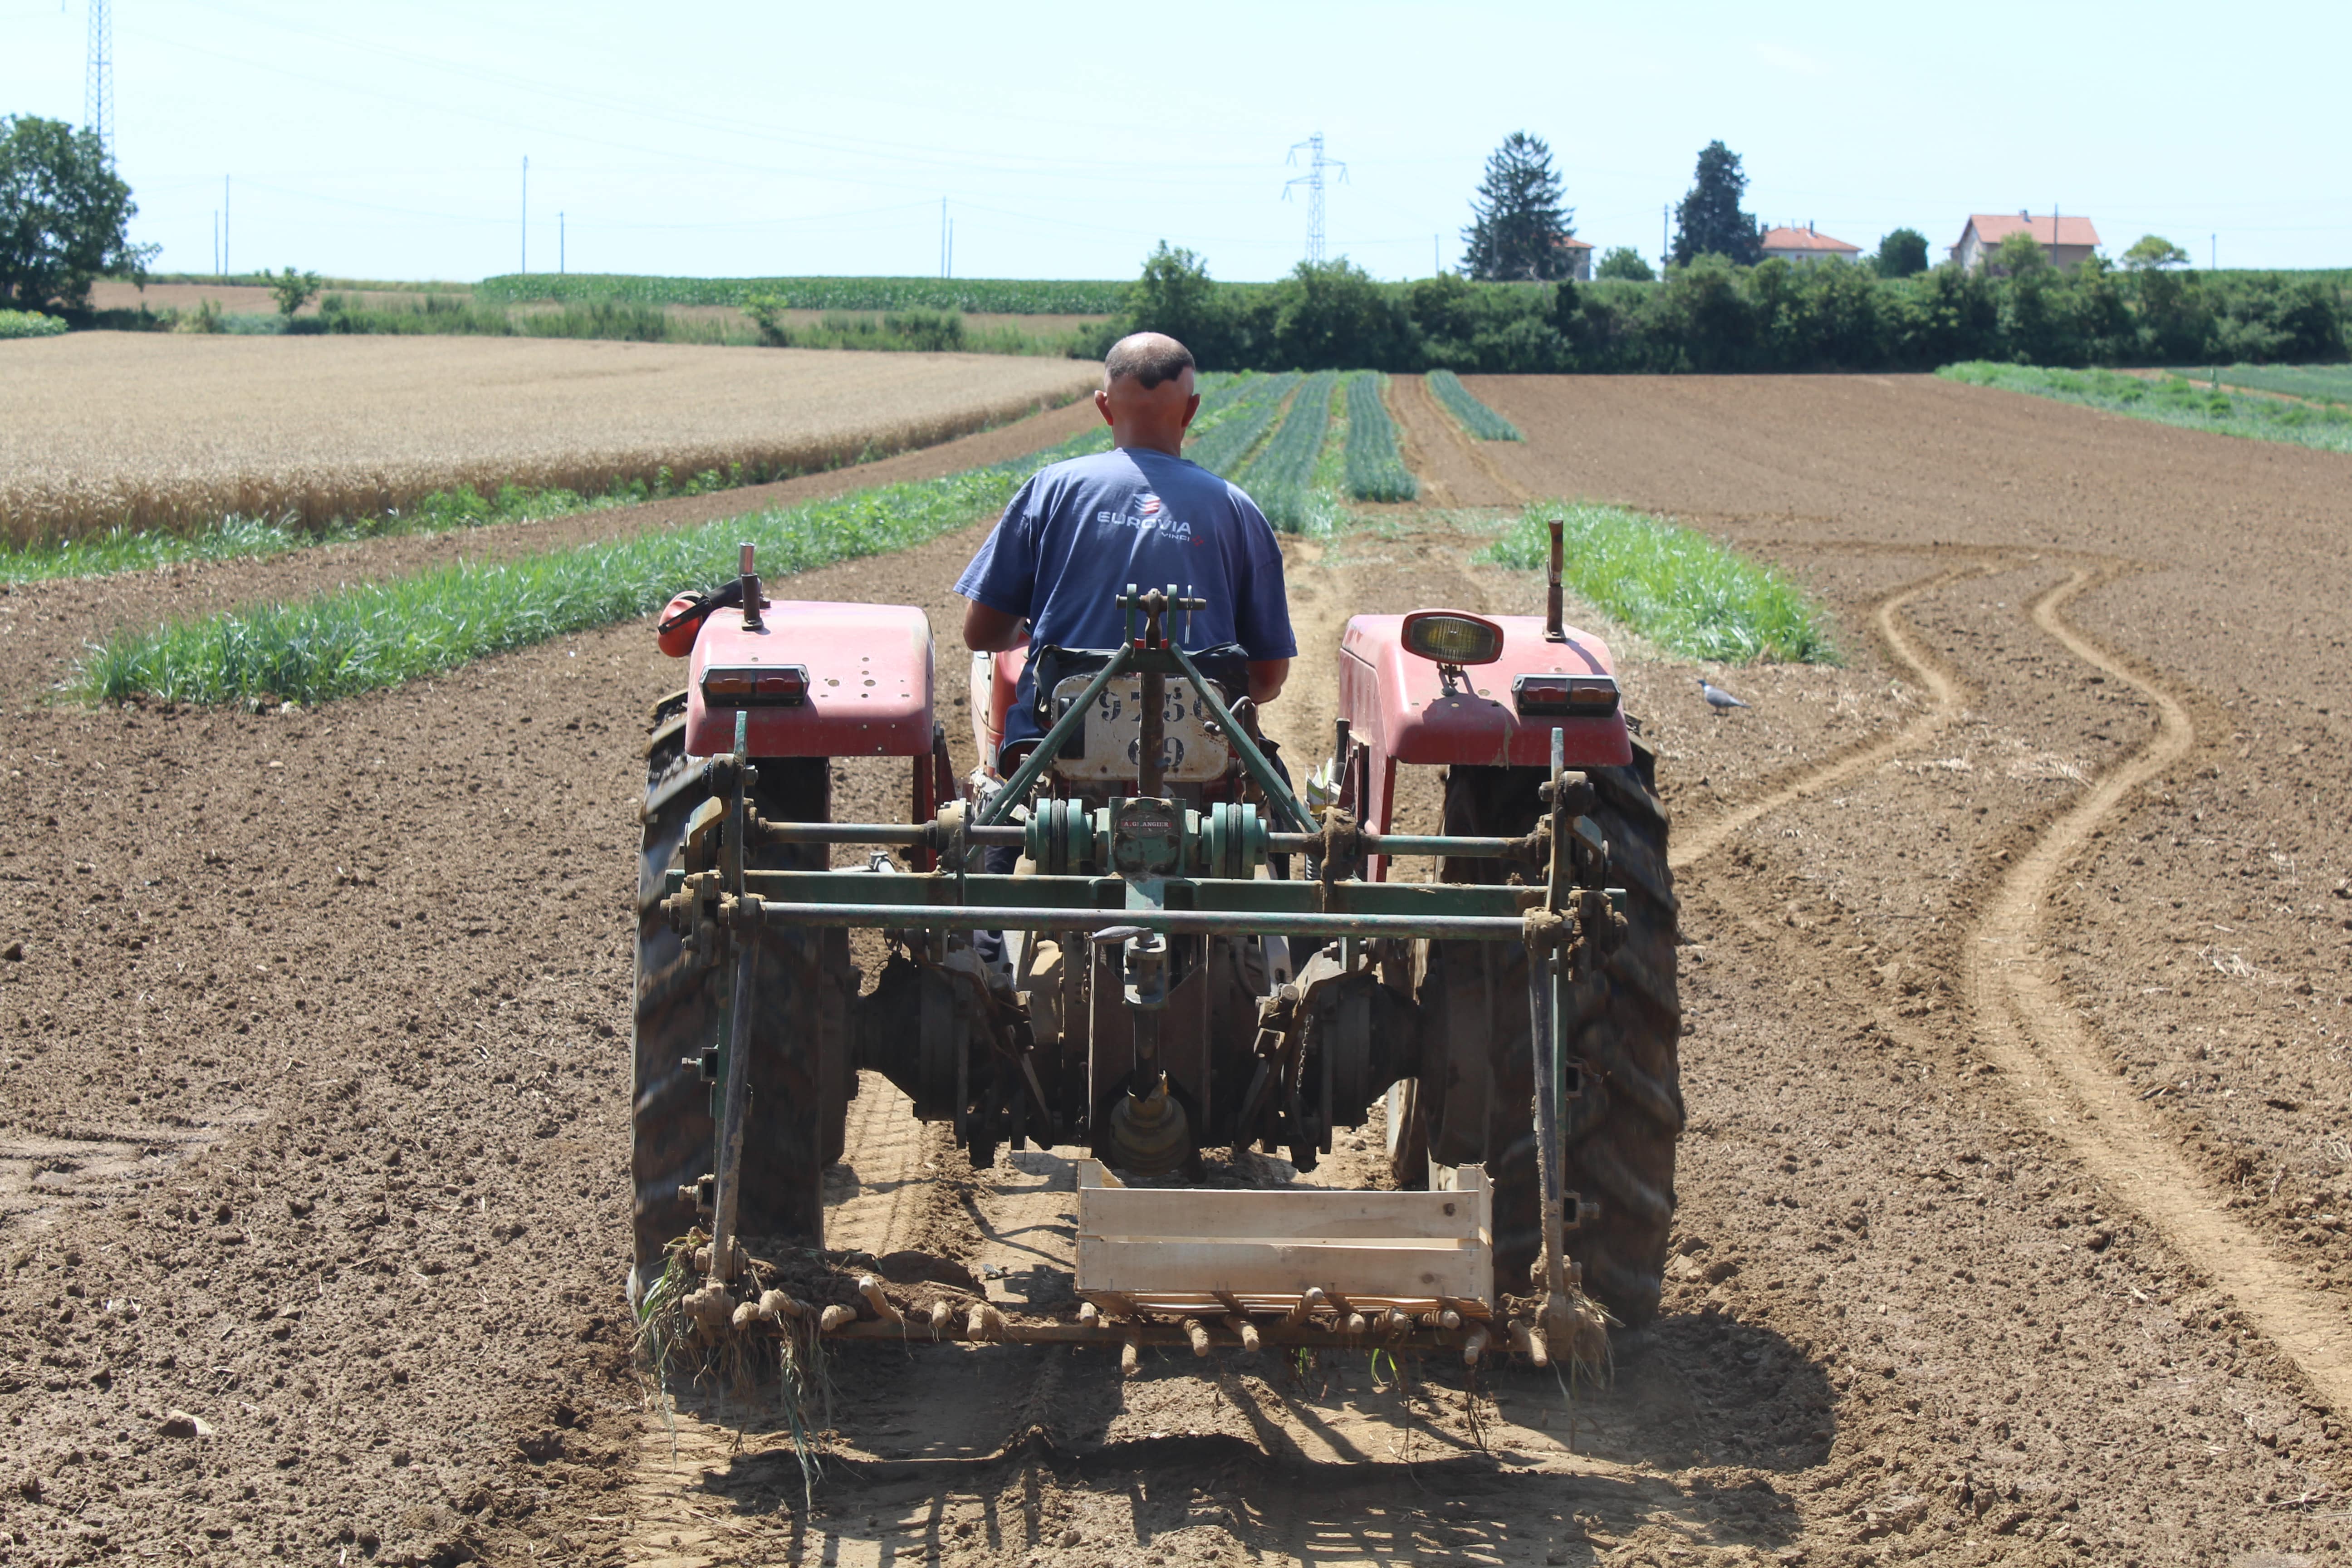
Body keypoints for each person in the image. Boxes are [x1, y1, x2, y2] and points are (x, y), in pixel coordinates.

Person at [955, 331, 1296, 772]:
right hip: (1205, 757)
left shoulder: (1051, 491)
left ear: (1103, 406)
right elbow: (1268, 679)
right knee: (1276, 818)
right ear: (1192, 410)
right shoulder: (1236, 508)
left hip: (1054, 749)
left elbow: (981, 635)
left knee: (1001, 826)